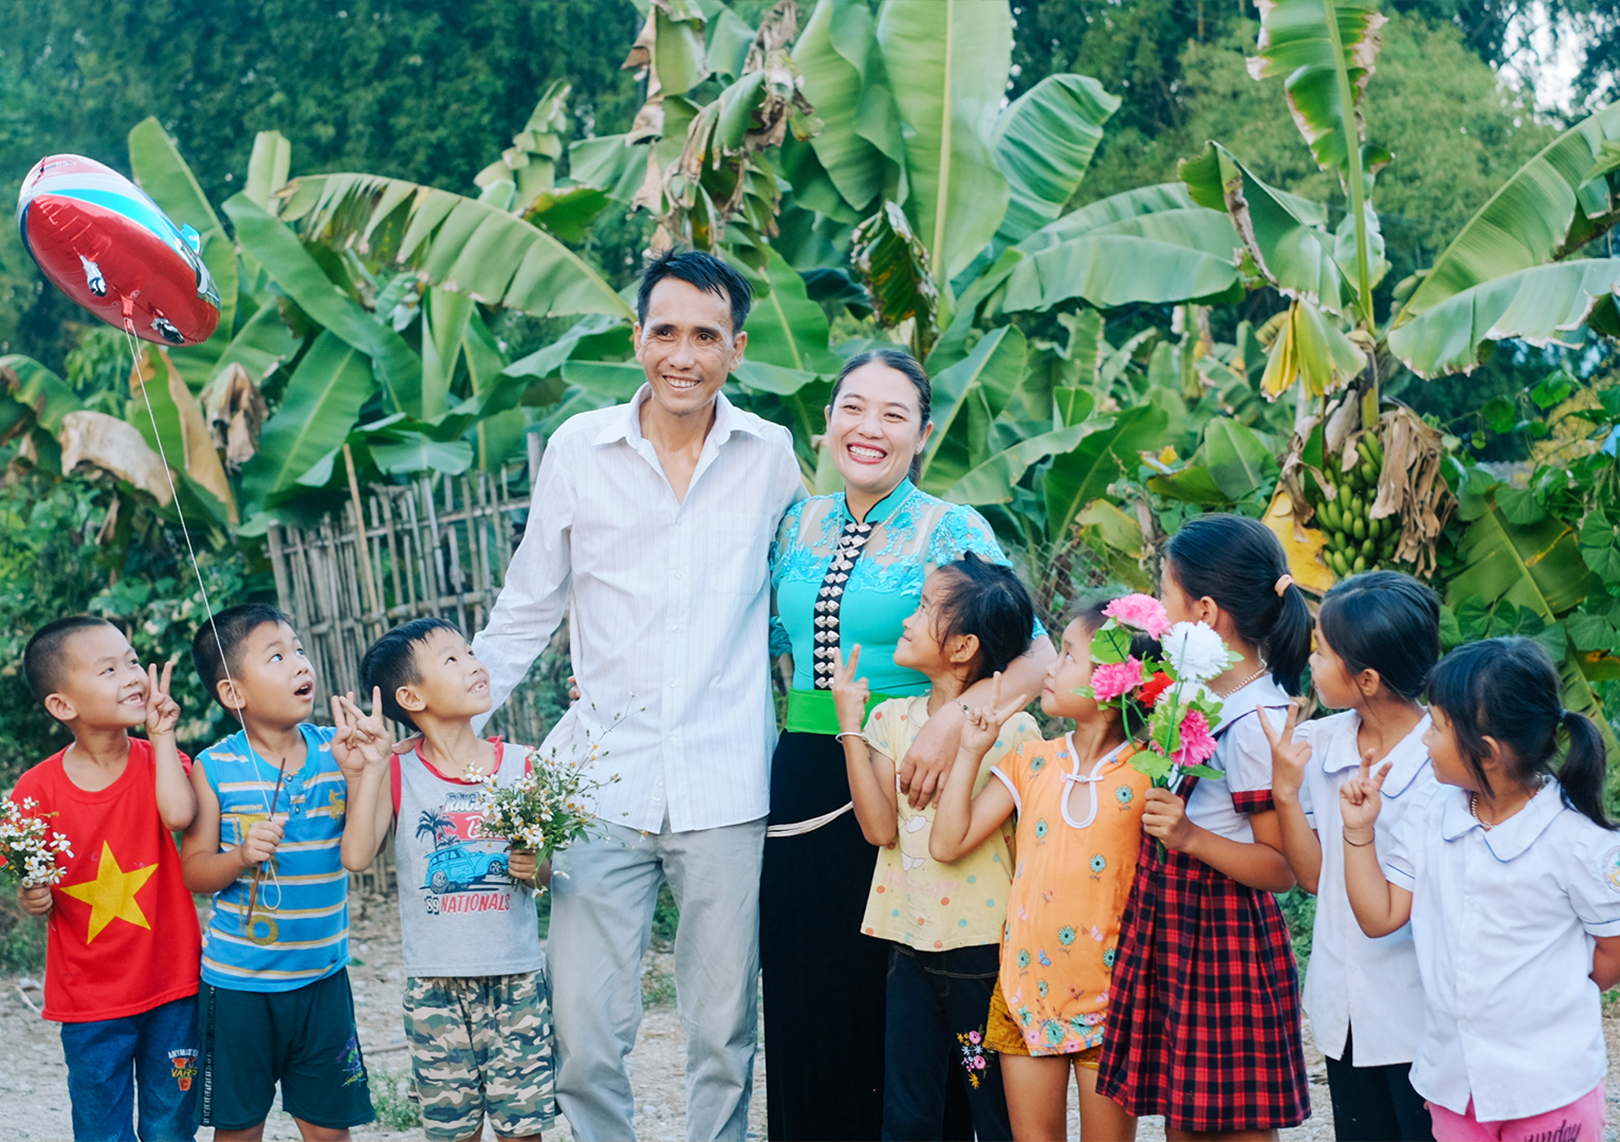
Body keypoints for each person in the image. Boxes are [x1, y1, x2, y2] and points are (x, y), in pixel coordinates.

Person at [468, 249, 804, 1141]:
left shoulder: (771, 456)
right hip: (598, 784)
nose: (682, 356)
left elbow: (809, 595)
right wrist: (449, 721)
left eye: (706, 336)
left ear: (736, 347)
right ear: (637, 338)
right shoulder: (580, 450)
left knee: (724, 1030)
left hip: (727, 786)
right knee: (583, 1030)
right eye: (666, 332)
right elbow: (527, 606)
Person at [762, 347, 1054, 1140]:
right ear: (828, 421)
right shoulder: (796, 522)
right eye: (853, 408)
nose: (870, 428)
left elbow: (1036, 653)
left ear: (922, 434)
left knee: (906, 1004)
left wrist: (949, 724)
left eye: (894, 415)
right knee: (806, 986)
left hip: (911, 779)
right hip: (804, 774)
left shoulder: (951, 527)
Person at [1341, 636, 1620, 1142]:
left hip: (1549, 1088)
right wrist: (1358, 833)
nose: (1424, 740)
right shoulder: (1431, 812)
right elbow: (1379, 917)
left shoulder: (1578, 839)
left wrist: (1558, 993)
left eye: (1436, 726)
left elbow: (1613, 948)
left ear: (1486, 752)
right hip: (1455, 1085)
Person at [1097, 514, 1312, 1138]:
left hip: (1225, 937)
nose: (1160, 613)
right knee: (1186, 1120)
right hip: (1183, 929)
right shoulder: (1207, 698)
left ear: (1207, 613)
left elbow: (1281, 868)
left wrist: (1190, 837)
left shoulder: (1256, 722)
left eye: (1166, 595)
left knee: (1236, 1124)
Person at [831, 554, 1042, 1142]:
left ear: (963, 647)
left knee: (991, 1105)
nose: (908, 618)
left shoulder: (1013, 732)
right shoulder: (890, 718)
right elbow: (879, 829)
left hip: (981, 956)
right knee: (908, 1109)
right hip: (909, 946)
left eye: (925, 608)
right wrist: (850, 726)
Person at [932, 599, 1156, 1142]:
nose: (1050, 667)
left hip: (1114, 1001)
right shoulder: (1031, 761)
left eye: (1069, 657)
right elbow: (947, 841)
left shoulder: (1152, 773)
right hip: (1025, 992)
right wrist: (971, 751)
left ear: (1113, 683)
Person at [344, 618, 556, 1142]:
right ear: (410, 697)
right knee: (453, 1133)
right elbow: (356, 855)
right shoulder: (398, 771)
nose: (474, 665)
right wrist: (370, 769)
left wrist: (535, 864)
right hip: (434, 987)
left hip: (516, 980)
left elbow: (543, 874)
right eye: (452, 659)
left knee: (524, 1130)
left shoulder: (524, 766)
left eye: (470, 652)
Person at [181, 603, 375, 1142]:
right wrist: (241, 856)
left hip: (323, 978)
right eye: (276, 656)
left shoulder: (338, 750)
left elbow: (364, 847)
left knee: (330, 1130)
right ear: (233, 692)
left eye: (299, 650)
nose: (300, 663)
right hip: (238, 986)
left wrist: (364, 776)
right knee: (240, 1129)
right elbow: (195, 872)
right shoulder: (215, 768)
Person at [1263, 572, 1441, 1141]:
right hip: (1343, 1006)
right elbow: (1316, 878)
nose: (1311, 663)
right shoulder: (1318, 744)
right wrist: (1285, 793)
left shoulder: (1443, 763)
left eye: (1321, 653)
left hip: (1422, 1012)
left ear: (1366, 679)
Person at [13, 616, 201, 1142]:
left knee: (171, 1128)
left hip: (173, 985)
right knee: (101, 1130)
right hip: (90, 1001)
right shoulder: (35, 791)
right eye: (109, 669)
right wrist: (32, 895)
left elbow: (180, 816)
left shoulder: (161, 762)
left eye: (133, 662)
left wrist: (162, 739)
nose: (133, 676)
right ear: (62, 705)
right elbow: (33, 884)